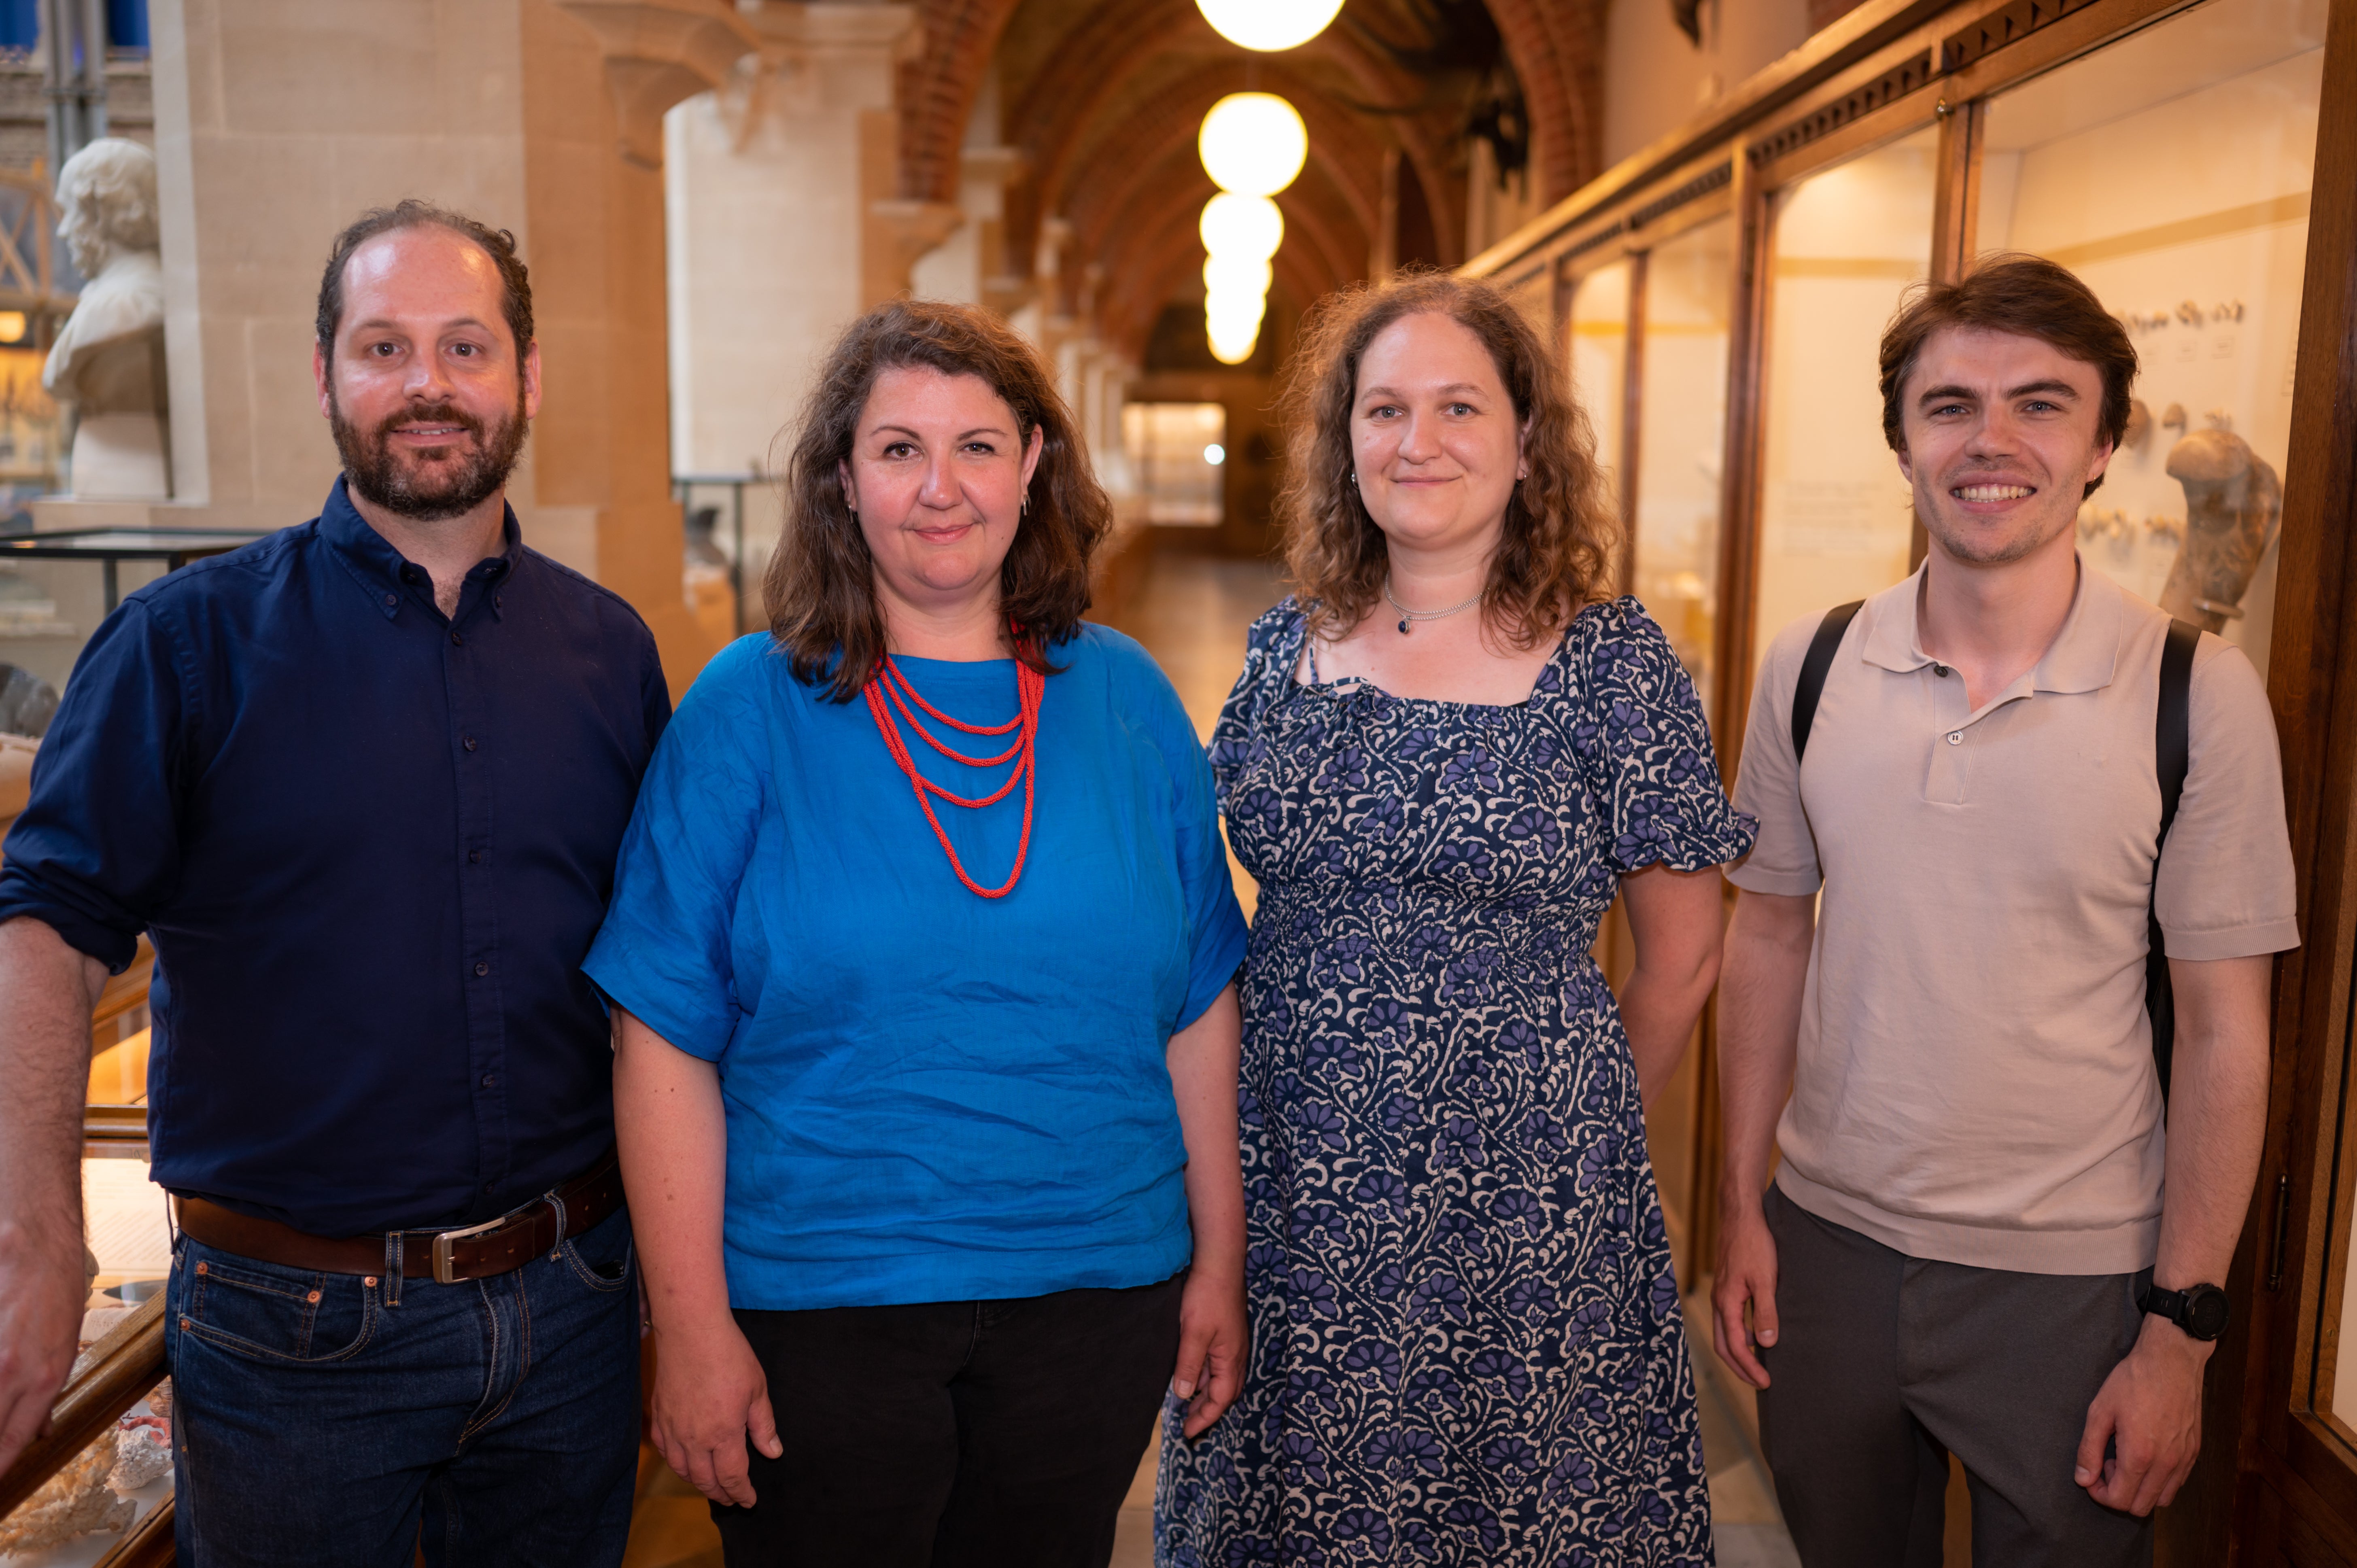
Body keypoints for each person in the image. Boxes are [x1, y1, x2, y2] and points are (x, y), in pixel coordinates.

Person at [0, 200, 666, 1565]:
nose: (426, 383)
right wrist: (36, 1233)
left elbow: (660, 980)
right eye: (383, 347)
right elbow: (48, 930)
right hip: (290, 1335)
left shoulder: (610, 652)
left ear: (526, 378)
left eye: (465, 346)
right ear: (325, 378)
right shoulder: (181, 647)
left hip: (576, 1304)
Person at [586, 298, 1251, 1568]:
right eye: (899, 450)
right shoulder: (745, 712)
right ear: (843, 479)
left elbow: (1199, 1001)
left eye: (979, 446)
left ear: (1035, 464)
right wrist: (690, 1327)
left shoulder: (1127, 700)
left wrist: (1219, 1257)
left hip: (1097, 1295)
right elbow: (659, 1033)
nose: (941, 488)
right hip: (819, 1311)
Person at [1157, 271, 1754, 1567]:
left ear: (1528, 441)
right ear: (1345, 443)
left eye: (1458, 407)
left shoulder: (1612, 663)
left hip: (1529, 1192)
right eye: (1383, 410)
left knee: (1520, 1507)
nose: (1417, 441)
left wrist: (1562, 1115)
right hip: (1297, 1168)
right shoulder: (1283, 646)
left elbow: (1688, 952)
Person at [1711, 254, 2293, 1565]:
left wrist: (2179, 1330)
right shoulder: (1809, 664)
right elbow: (1765, 936)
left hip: (2075, 1286)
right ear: (1903, 440)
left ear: (2101, 445)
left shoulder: (2198, 694)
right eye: (1950, 405)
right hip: (1832, 1249)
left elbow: (2225, 1031)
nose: (1992, 441)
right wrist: (1743, 1203)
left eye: (2041, 404)